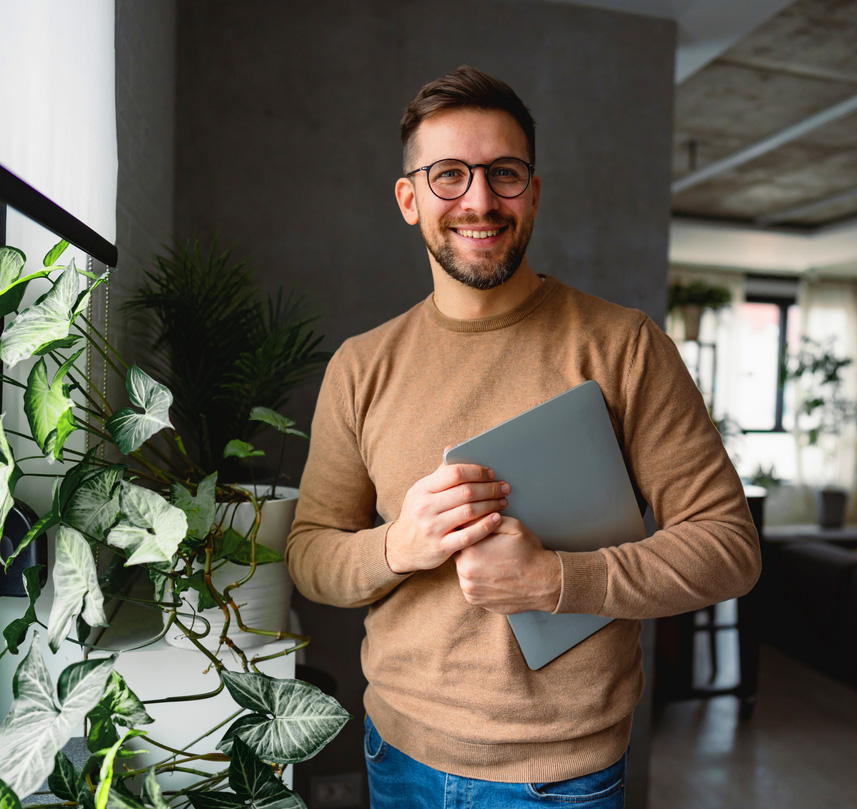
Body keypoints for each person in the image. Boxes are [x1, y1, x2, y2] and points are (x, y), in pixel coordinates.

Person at [287, 65, 761, 807]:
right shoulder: (361, 366)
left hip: (559, 779)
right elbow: (310, 554)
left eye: (504, 174)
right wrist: (397, 545)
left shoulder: (625, 347)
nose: (480, 200)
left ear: (533, 192)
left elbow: (729, 547)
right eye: (449, 175)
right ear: (409, 199)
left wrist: (557, 582)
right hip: (396, 752)